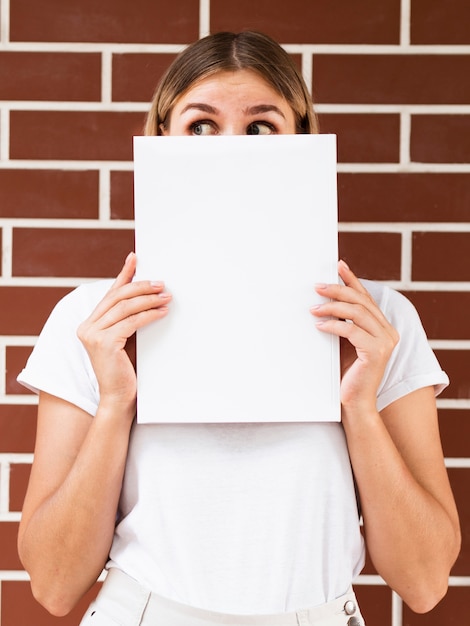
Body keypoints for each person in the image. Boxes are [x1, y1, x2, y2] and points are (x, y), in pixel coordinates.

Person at [17, 31, 460, 626]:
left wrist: (358, 405)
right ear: (159, 142)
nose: (230, 150)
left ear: (302, 142)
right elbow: (52, 584)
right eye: (201, 125)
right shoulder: (92, 321)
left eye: (260, 127)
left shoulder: (376, 322)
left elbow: (426, 582)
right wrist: (118, 400)